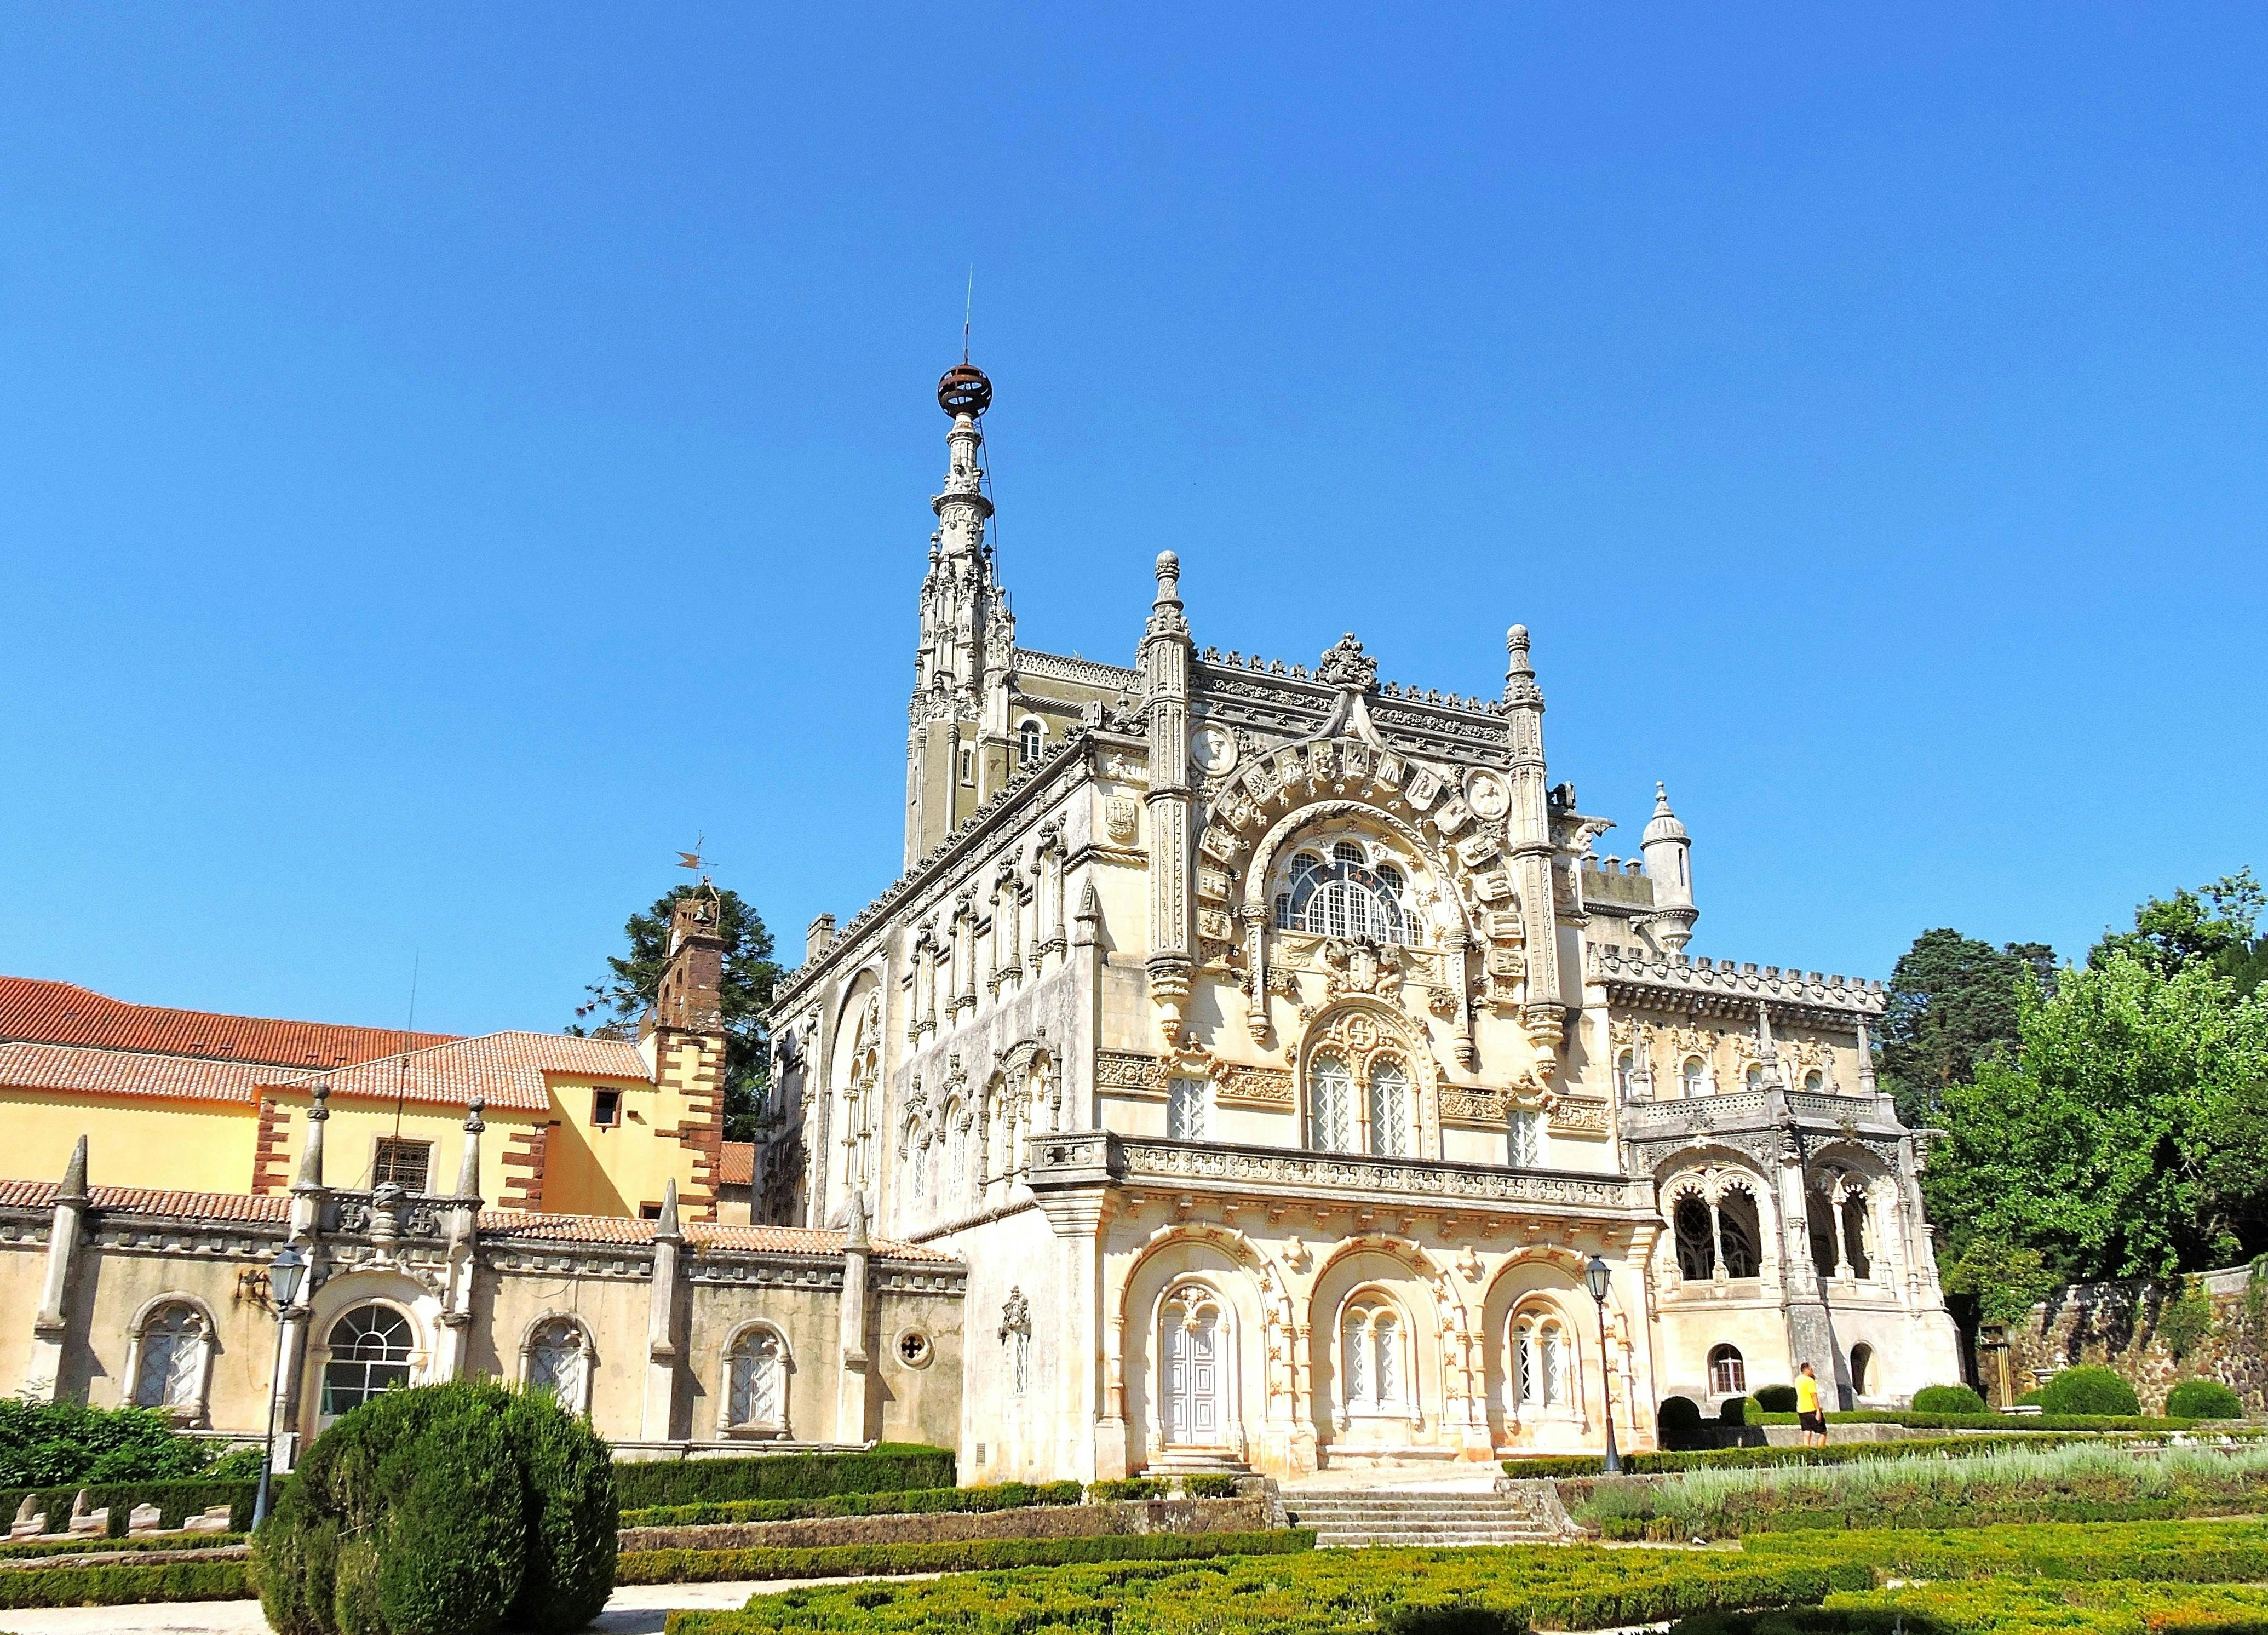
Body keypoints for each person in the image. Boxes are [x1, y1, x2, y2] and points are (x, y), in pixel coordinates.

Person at [1795, 1361, 1827, 1447]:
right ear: (1807, 1370)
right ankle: (1820, 1450)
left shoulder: (1797, 1380)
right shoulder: (1809, 1381)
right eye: (1811, 1369)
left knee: (1807, 1430)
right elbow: (1814, 1396)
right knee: (1823, 1432)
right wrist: (1818, 1411)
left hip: (1801, 1409)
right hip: (1810, 1409)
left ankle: (1807, 1449)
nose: (1812, 1371)